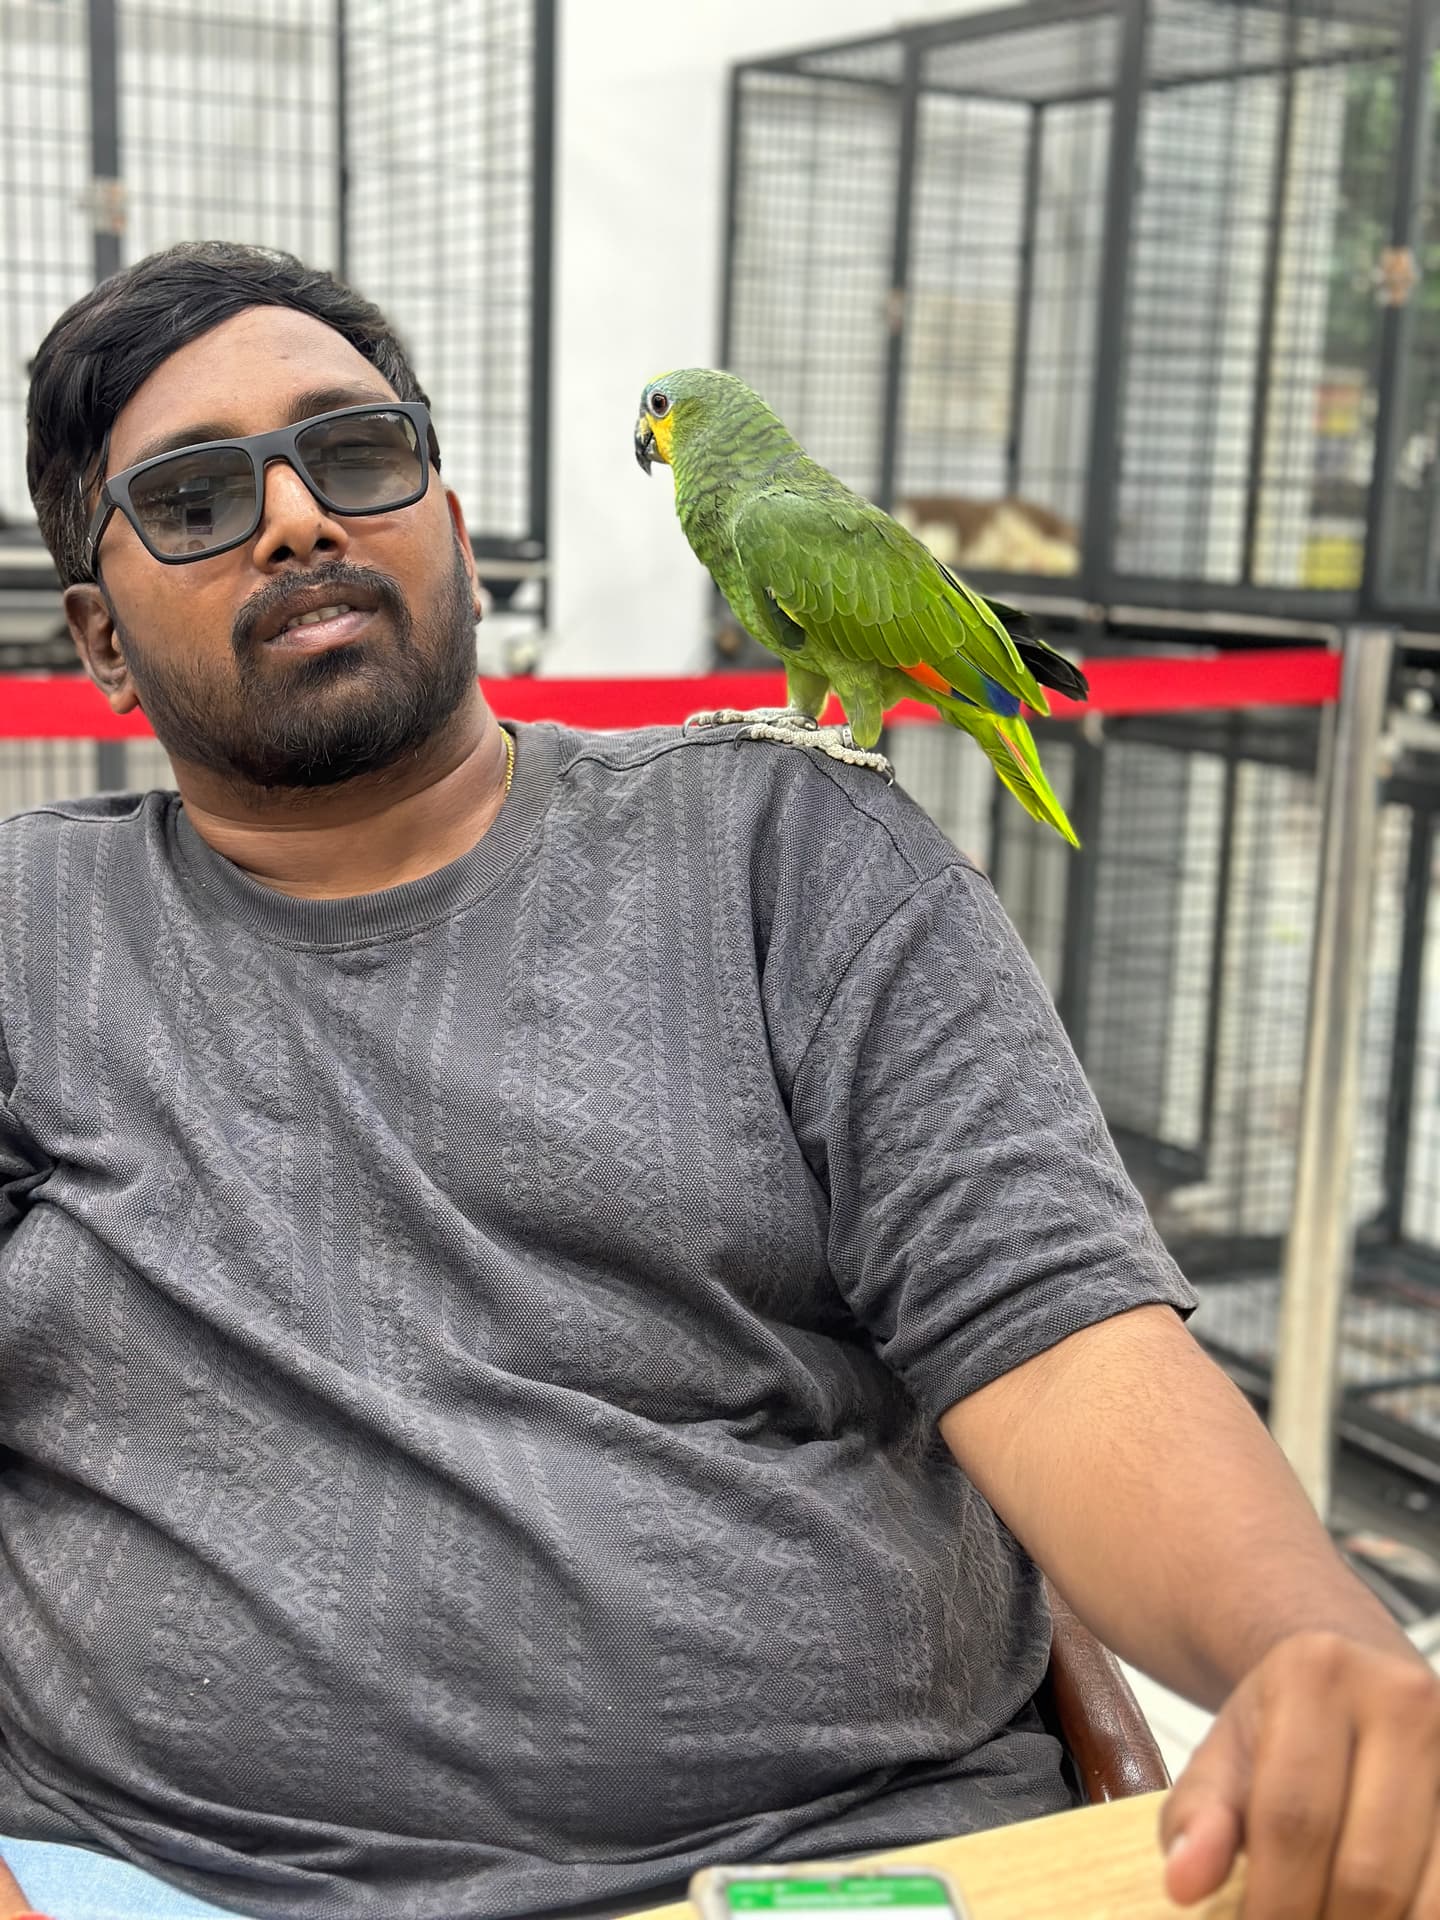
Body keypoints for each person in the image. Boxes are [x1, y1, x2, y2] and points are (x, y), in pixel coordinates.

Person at [0, 241, 1435, 1920]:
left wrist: (1310, 1639)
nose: (301, 517)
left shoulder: (799, 853)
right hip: (157, 1882)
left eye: (359, 452)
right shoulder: (30, 940)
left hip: (837, 1867)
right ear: (96, 635)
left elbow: (1070, 1351)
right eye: (194, 498)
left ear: (449, 528)